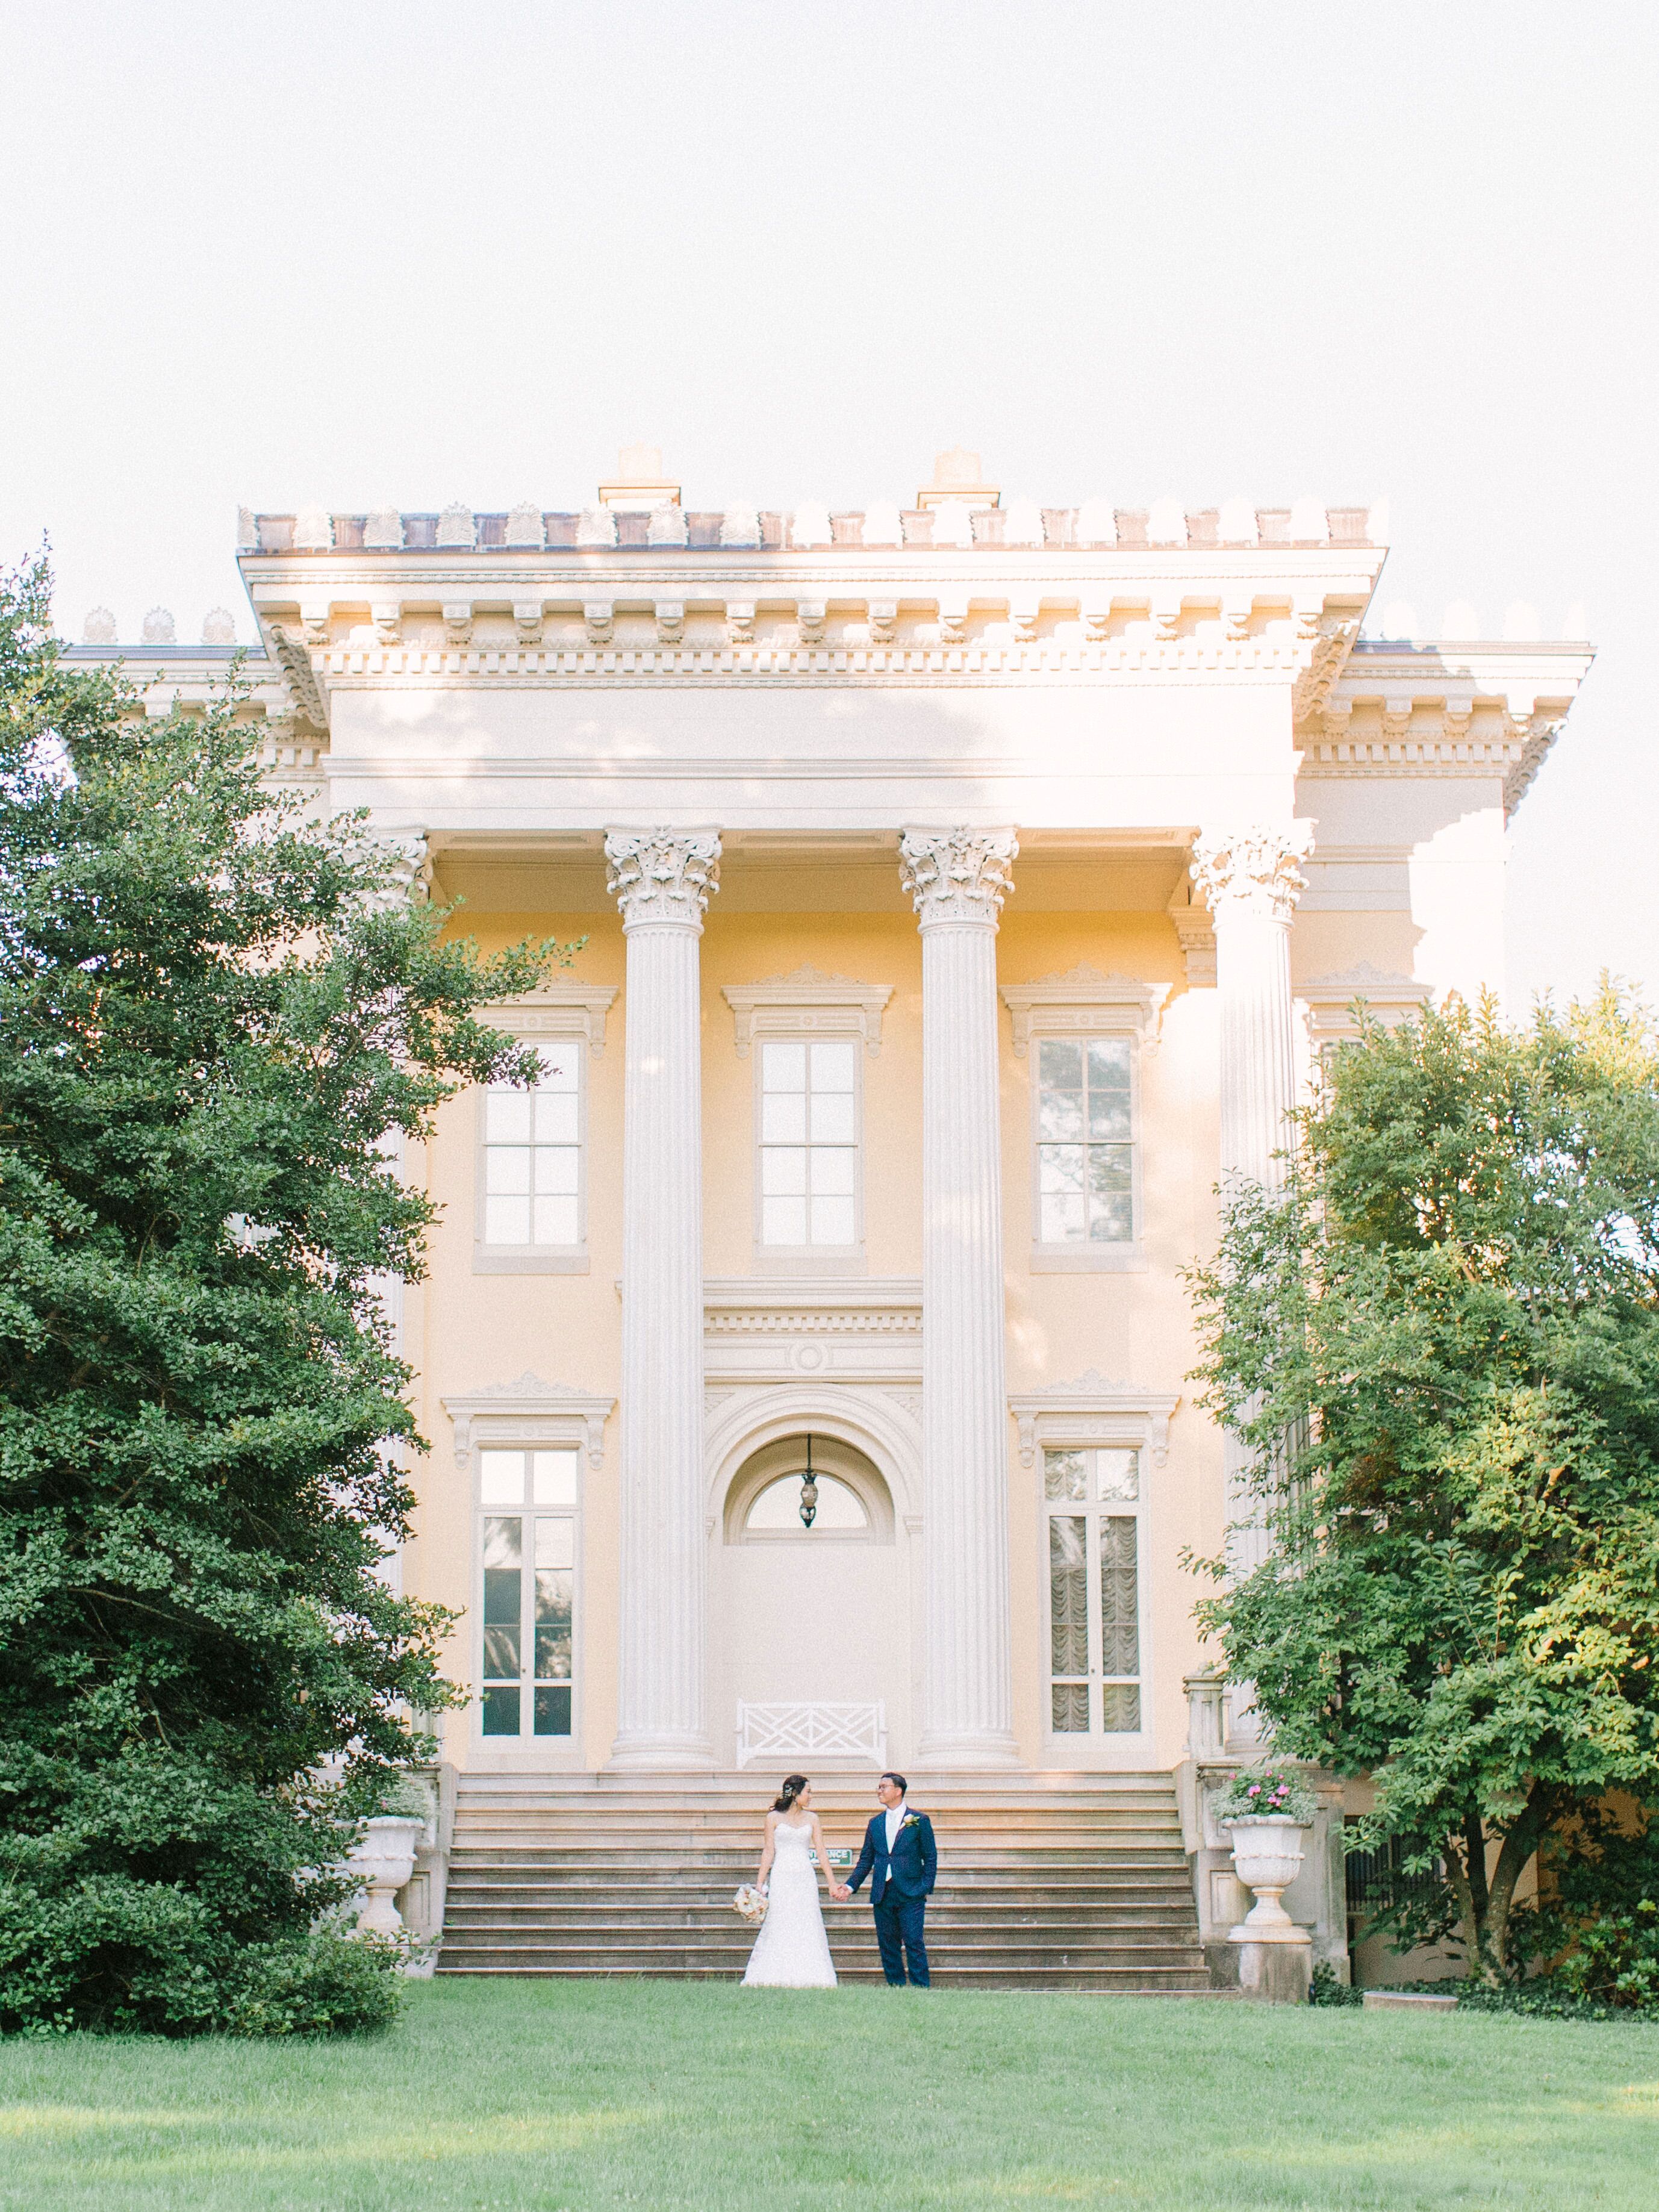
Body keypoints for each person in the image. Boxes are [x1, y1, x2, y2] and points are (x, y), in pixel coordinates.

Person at [739, 1774, 841, 1987]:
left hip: (804, 1875)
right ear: (795, 1794)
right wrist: (760, 1883)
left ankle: (811, 1974)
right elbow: (768, 1851)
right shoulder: (773, 1818)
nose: (811, 1796)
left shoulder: (813, 1818)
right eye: (808, 1792)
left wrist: (832, 1883)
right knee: (781, 1920)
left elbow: (821, 1851)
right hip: (782, 1874)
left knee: (807, 1920)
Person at [840, 1771, 935, 1987]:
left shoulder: (918, 1820)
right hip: (883, 1893)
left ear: (898, 1791)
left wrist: (925, 1886)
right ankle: (896, 1988)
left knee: (914, 1941)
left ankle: (921, 1988)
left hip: (911, 1891)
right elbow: (866, 1860)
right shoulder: (875, 1823)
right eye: (879, 1787)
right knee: (888, 1944)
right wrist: (849, 1886)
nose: (879, 1791)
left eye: (884, 1787)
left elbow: (930, 1857)